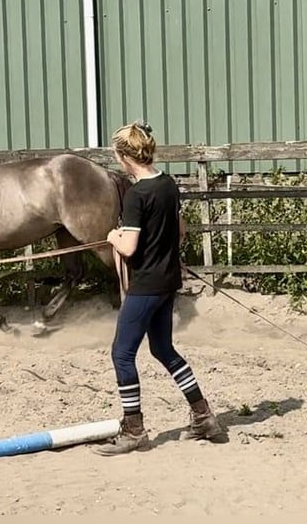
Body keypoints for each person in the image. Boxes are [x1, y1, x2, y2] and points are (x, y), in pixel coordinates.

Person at [96, 120, 226, 456]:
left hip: (146, 286)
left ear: (124, 157)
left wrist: (113, 236)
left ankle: (135, 429)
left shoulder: (137, 195)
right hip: (168, 281)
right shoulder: (168, 184)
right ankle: (203, 415)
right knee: (163, 350)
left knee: (122, 353)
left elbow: (128, 248)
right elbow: (180, 230)